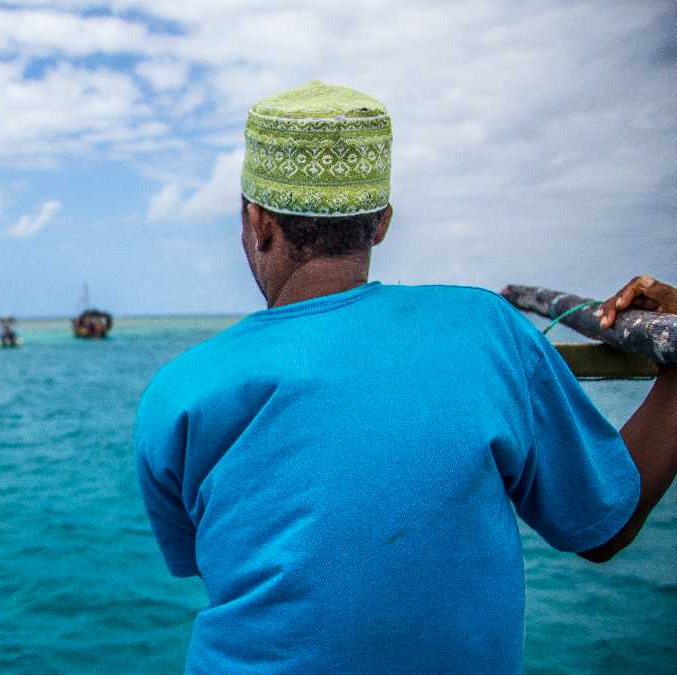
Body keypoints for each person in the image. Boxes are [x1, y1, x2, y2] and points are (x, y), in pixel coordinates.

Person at [133, 80, 677, 673]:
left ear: (257, 220)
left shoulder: (179, 391)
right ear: (382, 222)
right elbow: (603, 525)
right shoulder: (484, 328)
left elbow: (203, 558)